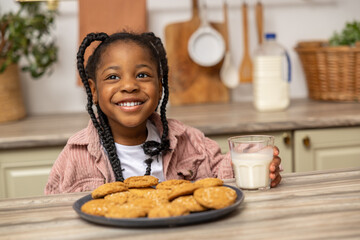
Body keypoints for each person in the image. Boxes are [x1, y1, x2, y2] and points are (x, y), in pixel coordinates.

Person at [45, 31, 282, 194]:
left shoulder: (187, 141)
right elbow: (52, 210)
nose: (129, 86)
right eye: (113, 77)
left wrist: (263, 164)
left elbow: (223, 171)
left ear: (160, 87)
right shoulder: (76, 155)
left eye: (142, 75)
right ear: (94, 90)